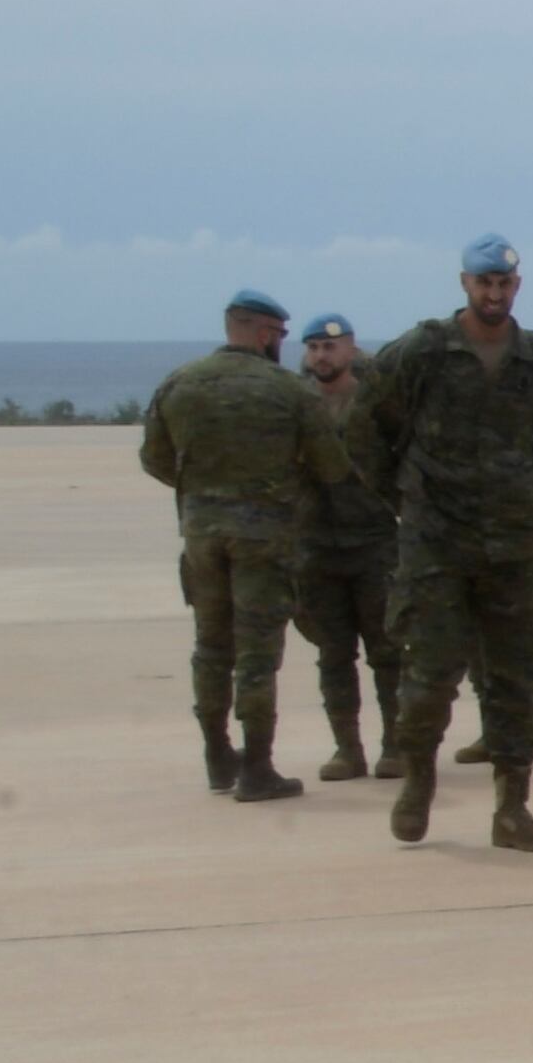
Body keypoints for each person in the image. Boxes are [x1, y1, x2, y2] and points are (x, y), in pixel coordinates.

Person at [360, 235, 533, 851]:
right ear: (464, 284)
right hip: (437, 544)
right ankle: (419, 781)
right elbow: (365, 426)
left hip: (512, 545)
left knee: (515, 679)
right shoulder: (423, 350)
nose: (494, 293)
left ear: (517, 286)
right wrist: (401, 497)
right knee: (428, 676)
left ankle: (512, 806)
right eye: (484, 282)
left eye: (505, 283)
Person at [137, 286, 349, 800]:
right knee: (257, 654)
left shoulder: (179, 384)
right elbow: (332, 467)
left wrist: (205, 496)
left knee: (211, 647)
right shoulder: (287, 390)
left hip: (202, 536)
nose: (280, 343)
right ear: (262, 333)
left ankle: (217, 754)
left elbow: (154, 458)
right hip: (264, 538)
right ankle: (257, 766)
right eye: (278, 335)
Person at [291, 313, 402, 777]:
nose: (322, 356)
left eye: (330, 347)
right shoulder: (296, 406)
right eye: (314, 347)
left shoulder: (375, 404)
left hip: (374, 541)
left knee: (388, 650)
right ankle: (347, 748)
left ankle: (396, 745)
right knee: (333, 653)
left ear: (351, 350)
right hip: (316, 545)